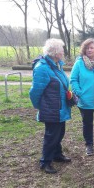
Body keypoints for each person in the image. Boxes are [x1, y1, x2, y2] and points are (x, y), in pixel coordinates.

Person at [29, 38, 71, 174]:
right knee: (51, 136)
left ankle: (57, 155)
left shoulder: (56, 65)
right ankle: (45, 162)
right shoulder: (42, 68)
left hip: (60, 108)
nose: (63, 52)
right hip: (51, 109)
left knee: (59, 133)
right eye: (62, 49)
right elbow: (35, 92)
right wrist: (40, 106)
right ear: (55, 52)